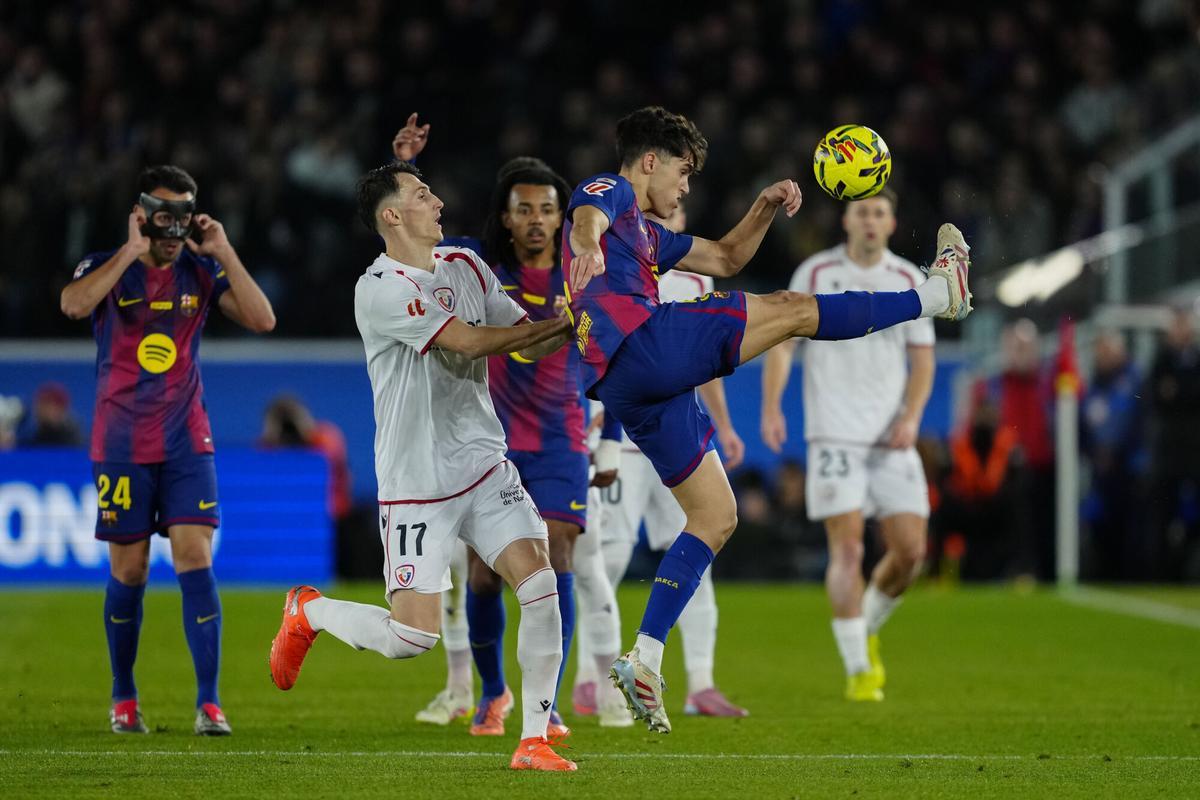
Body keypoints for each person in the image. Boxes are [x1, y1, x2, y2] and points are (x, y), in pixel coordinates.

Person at [563, 106, 972, 732]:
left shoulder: (647, 237)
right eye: (684, 171)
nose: (687, 186)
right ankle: (935, 296)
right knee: (794, 308)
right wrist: (588, 242)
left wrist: (763, 206)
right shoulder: (612, 193)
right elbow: (588, 213)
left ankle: (643, 657)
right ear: (652, 160)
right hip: (641, 342)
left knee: (715, 516)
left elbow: (726, 258)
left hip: (625, 385)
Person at [268, 161, 579, 772]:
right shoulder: (378, 289)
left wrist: (579, 324)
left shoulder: (465, 265)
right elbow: (467, 340)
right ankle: (310, 611)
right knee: (413, 639)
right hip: (417, 485)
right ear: (392, 215)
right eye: (421, 193)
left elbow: (526, 343)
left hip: (485, 465)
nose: (437, 200)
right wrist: (561, 323)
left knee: (541, 584)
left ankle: (534, 738)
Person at [393, 117, 624, 736]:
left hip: (559, 440)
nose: (536, 220)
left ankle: (542, 710)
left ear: (562, 217)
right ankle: (494, 693)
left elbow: (621, 361)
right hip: (487, 441)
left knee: (558, 557)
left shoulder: (589, 275)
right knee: (483, 575)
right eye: (523, 209)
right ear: (507, 215)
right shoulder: (479, 270)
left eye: (547, 209)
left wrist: (614, 442)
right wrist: (405, 169)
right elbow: (407, 241)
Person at [59, 164, 277, 736]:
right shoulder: (106, 266)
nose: (174, 226)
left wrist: (226, 252)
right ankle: (123, 696)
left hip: (187, 439)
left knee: (195, 558)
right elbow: (74, 305)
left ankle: (209, 703)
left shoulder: (201, 273)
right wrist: (129, 251)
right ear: (141, 214)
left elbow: (262, 318)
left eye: (183, 213)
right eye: (163, 214)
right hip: (122, 441)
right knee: (128, 569)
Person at [574, 202, 750, 719]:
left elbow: (710, 360)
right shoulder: (610, 268)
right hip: (623, 442)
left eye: (676, 219)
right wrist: (597, 432)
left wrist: (727, 428)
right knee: (608, 556)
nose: (671, 226)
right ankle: (590, 674)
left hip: (680, 439)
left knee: (701, 544)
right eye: (661, 219)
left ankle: (701, 681)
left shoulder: (693, 283)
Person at [760, 189, 935, 702]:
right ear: (846, 220)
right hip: (834, 433)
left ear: (892, 221)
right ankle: (859, 669)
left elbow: (923, 362)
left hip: (890, 437)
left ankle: (867, 627)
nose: (871, 220)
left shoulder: (907, 280)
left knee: (911, 552)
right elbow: (780, 342)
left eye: (880, 212)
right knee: (850, 547)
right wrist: (772, 406)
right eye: (862, 211)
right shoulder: (815, 274)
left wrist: (911, 417)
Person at [21, 381, 83, 446]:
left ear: (61, 409)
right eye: (40, 405)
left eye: (46, 405)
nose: (40, 410)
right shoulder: (34, 434)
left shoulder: (73, 438)